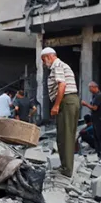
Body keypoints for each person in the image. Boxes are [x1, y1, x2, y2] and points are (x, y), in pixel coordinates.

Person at [41, 47, 80, 177]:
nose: (43, 63)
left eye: (43, 59)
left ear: (49, 56)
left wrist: (56, 105)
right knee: (64, 134)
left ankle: (67, 169)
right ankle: (65, 166)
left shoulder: (56, 65)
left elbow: (62, 85)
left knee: (66, 135)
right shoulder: (61, 65)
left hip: (66, 101)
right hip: (69, 101)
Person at [81, 82, 101, 158]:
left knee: (99, 136)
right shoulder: (94, 96)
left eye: (90, 88)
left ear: (94, 87)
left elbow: (95, 108)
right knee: (95, 136)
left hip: (99, 118)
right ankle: (98, 152)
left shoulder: (99, 95)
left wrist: (86, 104)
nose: (89, 90)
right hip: (95, 118)